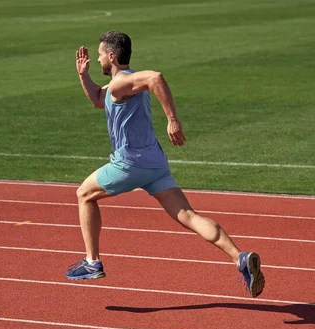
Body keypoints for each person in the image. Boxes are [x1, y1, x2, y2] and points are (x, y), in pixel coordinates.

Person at [65, 30, 265, 298]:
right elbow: (99, 101)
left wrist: (172, 118)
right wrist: (83, 76)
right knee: (188, 216)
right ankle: (239, 257)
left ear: (112, 56)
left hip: (130, 163)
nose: (98, 58)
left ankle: (92, 262)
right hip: (155, 163)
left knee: (84, 195)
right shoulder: (120, 85)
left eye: (100, 54)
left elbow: (155, 77)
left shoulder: (121, 83)